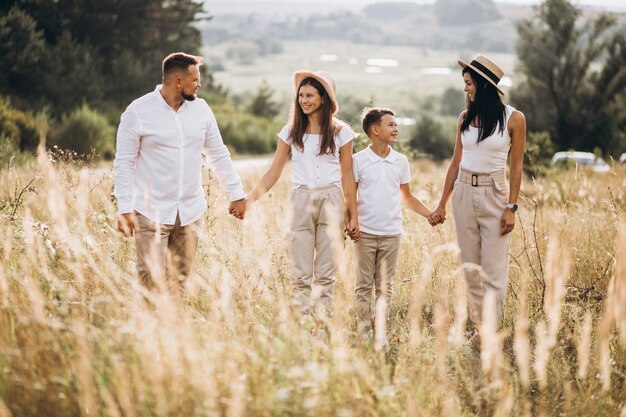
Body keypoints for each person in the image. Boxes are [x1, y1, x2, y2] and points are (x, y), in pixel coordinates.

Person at [114, 52, 246, 295]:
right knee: (150, 279)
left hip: (190, 212)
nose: (199, 84)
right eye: (195, 79)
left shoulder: (202, 110)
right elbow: (124, 163)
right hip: (150, 211)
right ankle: (151, 329)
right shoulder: (138, 112)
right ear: (177, 81)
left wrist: (236, 193)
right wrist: (124, 208)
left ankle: (173, 328)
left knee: (179, 282)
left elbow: (217, 154)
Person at [243, 70, 358, 317]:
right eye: (301, 95)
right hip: (301, 200)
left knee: (326, 273)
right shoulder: (290, 131)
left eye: (310, 95)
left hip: (332, 199)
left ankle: (322, 323)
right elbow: (273, 172)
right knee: (301, 273)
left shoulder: (341, 133)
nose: (304, 100)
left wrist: (353, 215)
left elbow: (348, 176)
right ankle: (302, 323)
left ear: (324, 98)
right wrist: (248, 200)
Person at [431, 54, 526, 328]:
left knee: (494, 269)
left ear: (484, 85)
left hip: (495, 194)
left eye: (469, 83)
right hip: (463, 191)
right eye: (464, 83)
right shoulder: (464, 117)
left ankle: (492, 330)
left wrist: (511, 207)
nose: (465, 89)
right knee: (470, 268)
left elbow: (516, 167)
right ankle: (479, 329)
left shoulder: (514, 119)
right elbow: (454, 163)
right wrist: (441, 204)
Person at [350, 107, 434, 343]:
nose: (396, 128)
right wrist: (350, 222)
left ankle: (381, 332)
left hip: (391, 234)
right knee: (364, 284)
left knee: (385, 287)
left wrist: (429, 214)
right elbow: (351, 197)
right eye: (391, 125)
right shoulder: (358, 161)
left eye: (396, 125)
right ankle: (364, 330)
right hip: (364, 233)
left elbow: (407, 197)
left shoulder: (400, 161)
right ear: (375, 130)